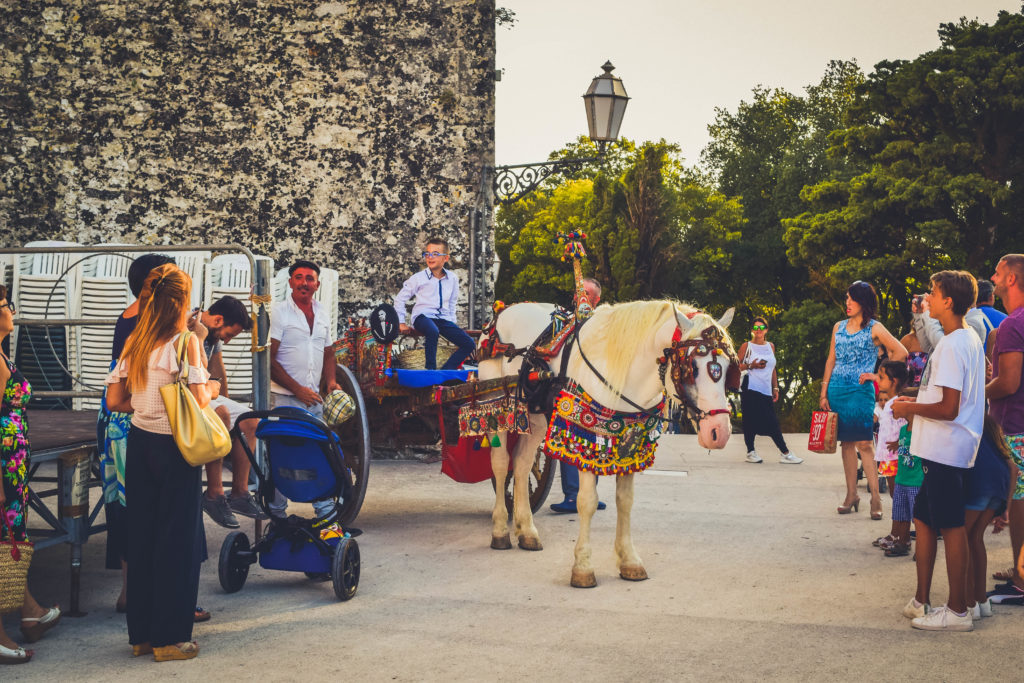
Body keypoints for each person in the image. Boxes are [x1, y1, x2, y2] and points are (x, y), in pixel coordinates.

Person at [105, 263, 220, 660]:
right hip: (175, 448)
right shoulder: (185, 340)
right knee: (176, 540)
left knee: (143, 538)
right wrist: (214, 383)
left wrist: (148, 400)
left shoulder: (135, 341)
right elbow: (201, 399)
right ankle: (170, 639)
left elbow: (114, 401)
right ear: (182, 301)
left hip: (139, 443)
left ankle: (141, 636)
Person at [892, 270, 985, 631]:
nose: (927, 298)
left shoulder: (951, 344)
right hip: (941, 449)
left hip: (947, 449)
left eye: (933, 292)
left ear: (948, 301)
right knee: (925, 518)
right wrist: (913, 398)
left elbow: (949, 408)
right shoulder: (967, 339)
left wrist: (907, 409)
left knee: (951, 524)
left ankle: (958, 610)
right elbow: (947, 397)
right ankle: (922, 599)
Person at [100, 252, 175, 614]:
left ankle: (132, 592)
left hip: (118, 423)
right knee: (160, 509)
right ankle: (163, 594)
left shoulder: (129, 317)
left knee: (128, 507)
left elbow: (113, 393)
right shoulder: (151, 324)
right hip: (142, 423)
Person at [0, 287, 62, 665]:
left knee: (10, 543)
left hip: (13, 462)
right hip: (3, 466)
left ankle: (30, 611)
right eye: (7, 305)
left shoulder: (2, 352)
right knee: (3, 543)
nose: (13, 310)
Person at [820, 281, 907, 519]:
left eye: (852, 298)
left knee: (865, 444)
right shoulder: (838, 327)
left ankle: (876, 499)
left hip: (860, 392)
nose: (847, 303)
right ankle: (851, 495)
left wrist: (878, 375)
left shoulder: (875, 328)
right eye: (846, 298)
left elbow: (900, 352)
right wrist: (824, 392)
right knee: (846, 444)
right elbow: (831, 360)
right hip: (837, 389)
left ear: (864, 302)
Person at [269, 260, 341, 519]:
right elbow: (270, 359)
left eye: (309, 278)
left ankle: (325, 514)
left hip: (314, 399)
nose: (304, 283)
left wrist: (331, 382)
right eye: (298, 277)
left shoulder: (322, 313)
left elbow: (329, 352)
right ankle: (277, 515)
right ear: (290, 283)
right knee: (285, 457)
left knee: (318, 455)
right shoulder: (279, 313)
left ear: (317, 285)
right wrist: (298, 390)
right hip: (286, 399)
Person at [188, 296, 265, 529]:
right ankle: (214, 494)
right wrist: (222, 407)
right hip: (185, 391)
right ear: (218, 319)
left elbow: (216, 368)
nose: (227, 340)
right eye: (229, 335)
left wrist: (229, 403)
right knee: (220, 413)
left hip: (205, 390)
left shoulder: (212, 332)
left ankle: (240, 493)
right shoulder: (190, 326)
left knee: (250, 419)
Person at [985, 254, 1024, 604]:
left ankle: (1022, 583)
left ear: (1011, 279)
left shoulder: (1013, 324)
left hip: (1014, 425)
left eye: (998, 273)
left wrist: (976, 395)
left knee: (1020, 502)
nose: (993, 279)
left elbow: (1009, 383)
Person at [551, 278, 608, 513]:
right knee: (571, 440)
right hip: (569, 388)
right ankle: (574, 496)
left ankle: (590, 494)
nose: (580, 296)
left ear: (596, 299)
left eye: (585, 292)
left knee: (596, 444)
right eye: (578, 292)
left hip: (596, 392)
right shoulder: (561, 319)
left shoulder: (603, 323)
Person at [394, 237, 476, 371]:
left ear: (446, 258)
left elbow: (452, 303)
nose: (430, 257)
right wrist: (401, 322)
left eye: (436, 254)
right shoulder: (418, 278)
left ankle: (446, 372)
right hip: (422, 317)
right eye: (427, 253)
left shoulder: (453, 279)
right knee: (432, 330)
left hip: (442, 319)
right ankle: (430, 370)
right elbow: (400, 299)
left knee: (469, 344)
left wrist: (451, 324)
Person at [737, 317, 802, 464]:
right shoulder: (746, 346)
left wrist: (775, 387)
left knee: (768, 420)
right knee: (753, 420)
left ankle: (757, 452)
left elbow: (772, 368)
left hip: (765, 389)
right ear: (752, 330)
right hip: (750, 387)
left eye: (761, 328)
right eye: (755, 328)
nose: (758, 331)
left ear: (766, 330)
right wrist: (750, 365)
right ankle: (781, 452)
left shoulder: (770, 346)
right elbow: (735, 366)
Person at [964, 416, 1011, 617]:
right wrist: (1005, 509)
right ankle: (981, 601)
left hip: (978, 483)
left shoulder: (966, 422)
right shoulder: (989, 425)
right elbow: (1013, 467)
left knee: (962, 539)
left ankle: (967, 603)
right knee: (975, 538)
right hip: (998, 488)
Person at [871, 361, 909, 504]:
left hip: (896, 456)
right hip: (888, 455)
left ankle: (902, 520)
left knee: (897, 493)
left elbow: (907, 425)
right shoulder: (889, 403)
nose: (878, 381)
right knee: (894, 494)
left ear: (894, 381)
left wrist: (899, 443)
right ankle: (900, 519)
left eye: (881, 378)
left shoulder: (898, 403)